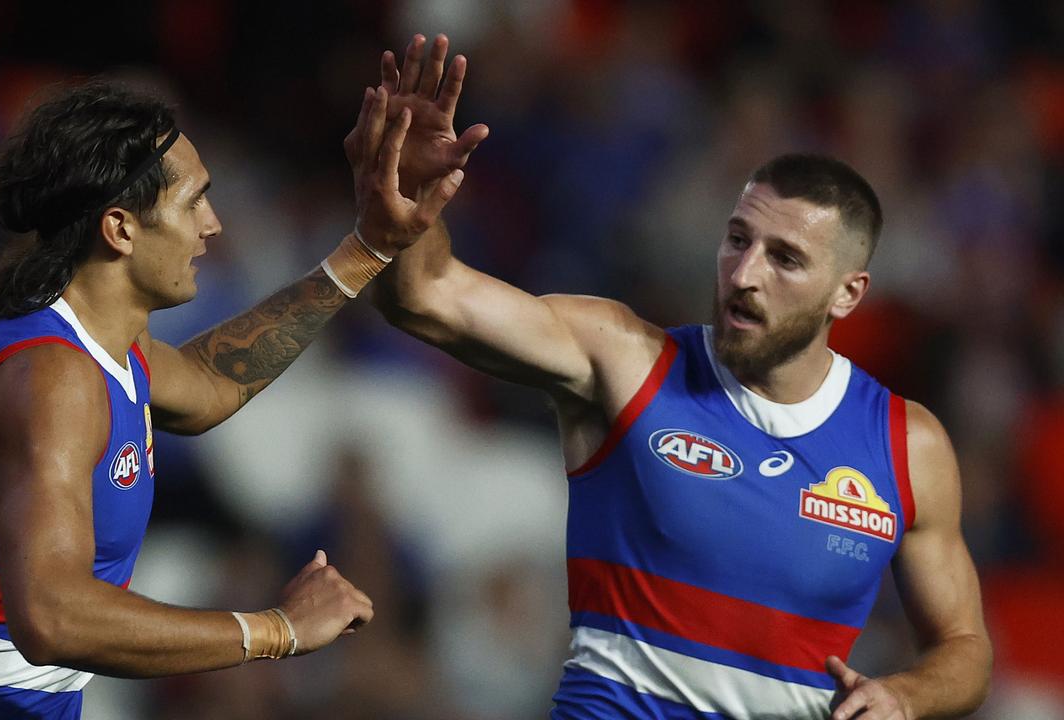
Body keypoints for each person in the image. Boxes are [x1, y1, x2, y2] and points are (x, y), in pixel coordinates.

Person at [365, 35, 992, 719]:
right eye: (737, 239)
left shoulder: (909, 446)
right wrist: (413, 195)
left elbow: (964, 648)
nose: (744, 274)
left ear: (848, 293)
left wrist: (905, 694)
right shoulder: (623, 360)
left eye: (784, 258)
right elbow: (423, 298)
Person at [0, 79, 467, 719]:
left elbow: (211, 384)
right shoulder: (51, 380)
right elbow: (52, 616)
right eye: (193, 202)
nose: (213, 225)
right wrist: (275, 630)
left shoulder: (105, 347)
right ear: (121, 228)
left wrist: (364, 249)